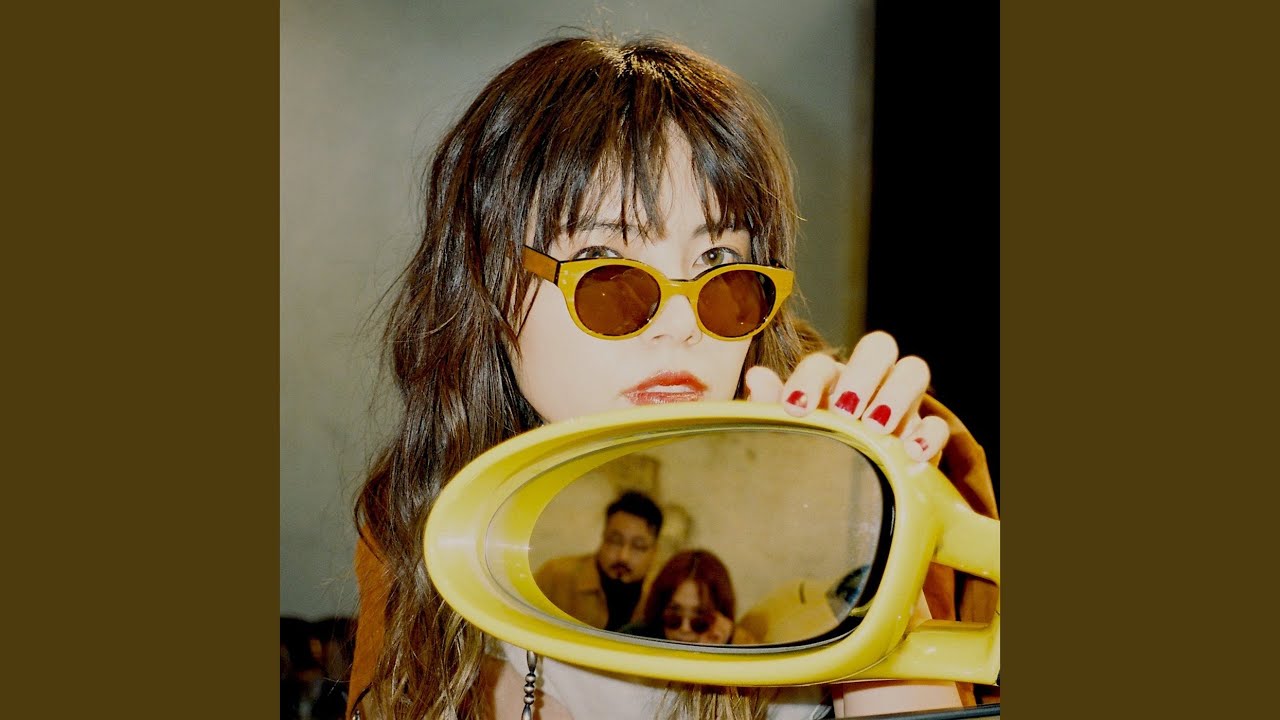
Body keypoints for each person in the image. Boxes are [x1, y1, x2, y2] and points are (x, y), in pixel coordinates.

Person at [349, 34, 997, 720]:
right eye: (604, 261)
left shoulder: (876, 463)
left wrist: (871, 555)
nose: (681, 323)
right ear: (488, 284)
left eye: (719, 262)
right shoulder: (419, 521)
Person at [534, 490, 664, 631]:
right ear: (603, 537)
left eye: (638, 546)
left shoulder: (659, 597)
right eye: (615, 541)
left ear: (654, 552)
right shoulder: (556, 576)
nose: (623, 556)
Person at [621, 549, 758, 645]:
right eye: (674, 617)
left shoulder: (738, 650)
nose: (685, 628)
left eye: (699, 621)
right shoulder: (633, 640)